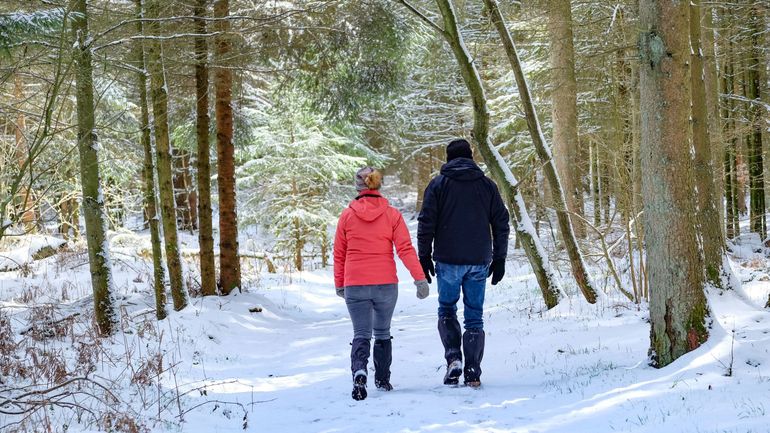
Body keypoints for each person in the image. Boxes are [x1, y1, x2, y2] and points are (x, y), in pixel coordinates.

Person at [417, 139, 510, 388]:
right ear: (471, 157)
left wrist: (423, 256)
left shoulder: (438, 185)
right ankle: (472, 371)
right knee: (474, 317)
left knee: (447, 309)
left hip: (447, 259)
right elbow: (501, 222)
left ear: (448, 158)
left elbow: (426, 222)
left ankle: (453, 359)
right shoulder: (487, 186)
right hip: (479, 260)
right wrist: (500, 257)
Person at [334, 167, 430, 401]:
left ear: (358, 187)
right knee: (382, 332)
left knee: (361, 332)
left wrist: (339, 283)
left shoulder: (347, 216)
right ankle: (383, 380)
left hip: (355, 283)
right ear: (378, 185)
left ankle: (359, 371)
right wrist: (420, 279)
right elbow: (405, 249)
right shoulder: (392, 215)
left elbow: (339, 253)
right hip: (386, 283)